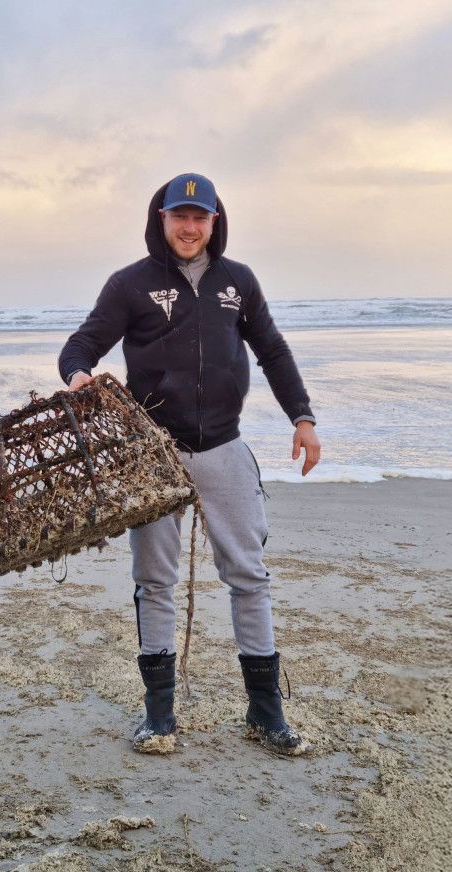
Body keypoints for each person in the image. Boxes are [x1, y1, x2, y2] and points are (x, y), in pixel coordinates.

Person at [58, 172, 321, 756]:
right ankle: (159, 717)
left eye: (201, 218)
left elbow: (273, 349)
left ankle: (264, 713)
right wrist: (77, 375)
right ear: (162, 218)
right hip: (154, 453)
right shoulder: (131, 284)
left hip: (224, 447)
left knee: (248, 576)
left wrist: (301, 418)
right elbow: (81, 346)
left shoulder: (238, 282)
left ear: (214, 222)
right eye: (180, 216)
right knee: (155, 582)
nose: (190, 227)